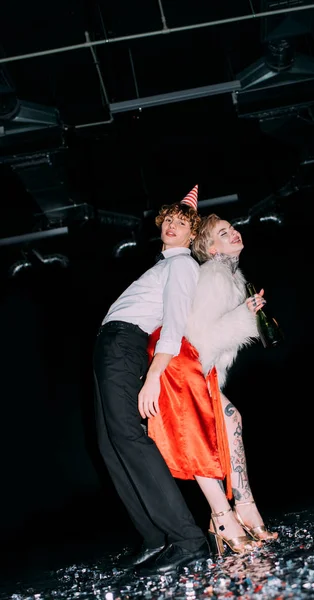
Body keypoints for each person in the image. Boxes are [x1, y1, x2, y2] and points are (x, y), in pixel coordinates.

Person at [144, 212, 278, 562]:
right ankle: (227, 517)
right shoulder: (215, 276)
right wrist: (245, 317)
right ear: (211, 248)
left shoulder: (232, 277)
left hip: (195, 369)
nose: (234, 233)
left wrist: (248, 313)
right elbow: (201, 339)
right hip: (182, 367)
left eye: (232, 228)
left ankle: (244, 508)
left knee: (231, 421)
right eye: (224, 232)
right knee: (211, 432)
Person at [93, 186, 210, 577]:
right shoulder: (163, 266)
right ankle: (155, 538)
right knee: (111, 445)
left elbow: (174, 324)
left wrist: (154, 376)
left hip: (126, 343)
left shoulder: (181, 266)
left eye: (182, 223)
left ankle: (188, 539)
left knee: (128, 436)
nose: (172, 226)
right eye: (169, 221)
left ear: (192, 235)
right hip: (111, 345)